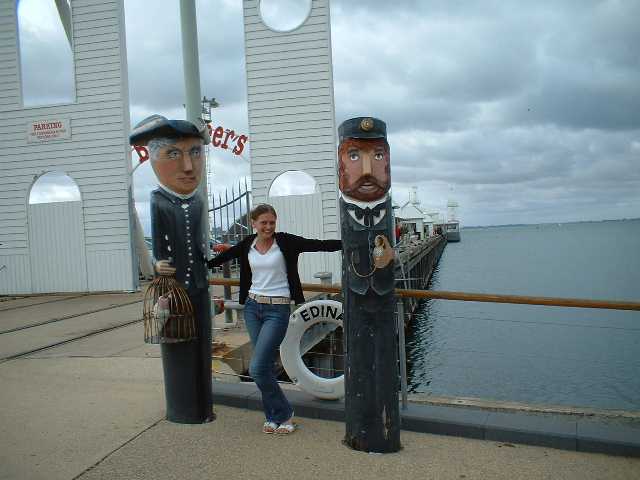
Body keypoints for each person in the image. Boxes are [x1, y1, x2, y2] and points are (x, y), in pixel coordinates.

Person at [208, 204, 341, 434]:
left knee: (257, 368)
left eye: (272, 222)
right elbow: (223, 257)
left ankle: (284, 413)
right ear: (254, 223)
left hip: (277, 310)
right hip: (252, 308)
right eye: (263, 223)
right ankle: (272, 417)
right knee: (265, 366)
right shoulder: (248, 244)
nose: (268, 227)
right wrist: (194, 266)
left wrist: (351, 243)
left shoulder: (286, 242)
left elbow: (319, 244)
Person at [129, 114, 214, 423]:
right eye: (174, 154)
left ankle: (204, 406)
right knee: (179, 349)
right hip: (174, 291)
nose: (188, 166)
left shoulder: (199, 201)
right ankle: (183, 408)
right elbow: (160, 248)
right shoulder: (158, 201)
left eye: (195, 152)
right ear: (154, 160)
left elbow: (201, 245)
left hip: (200, 288)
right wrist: (157, 265)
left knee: (203, 348)